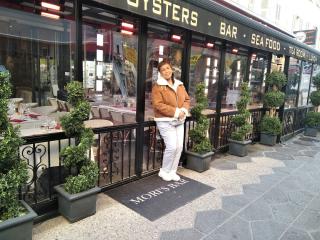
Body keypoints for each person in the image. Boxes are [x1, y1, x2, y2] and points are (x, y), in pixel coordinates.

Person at [151, 59, 190, 181]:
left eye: (168, 68)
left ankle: (173, 171)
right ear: (160, 73)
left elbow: (187, 100)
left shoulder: (180, 84)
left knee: (179, 147)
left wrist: (183, 110)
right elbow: (158, 105)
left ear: (171, 69)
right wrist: (176, 112)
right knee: (172, 146)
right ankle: (164, 171)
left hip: (179, 120)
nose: (166, 71)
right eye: (163, 70)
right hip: (165, 120)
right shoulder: (158, 87)